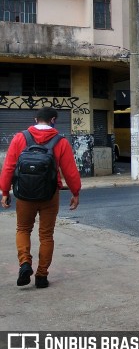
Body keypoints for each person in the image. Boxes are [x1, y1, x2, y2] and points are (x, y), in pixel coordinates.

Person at [0, 107, 81, 288]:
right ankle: (42, 276)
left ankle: (25, 263)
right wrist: (76, 192)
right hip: (49, 195)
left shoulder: (20, 138)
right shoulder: (60, 142)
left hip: (24, 196)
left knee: (22, 229)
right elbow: (70, 171)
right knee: (46, 235)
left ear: (35, 119)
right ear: (53, 120)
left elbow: (8, 167)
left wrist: (5, 191)